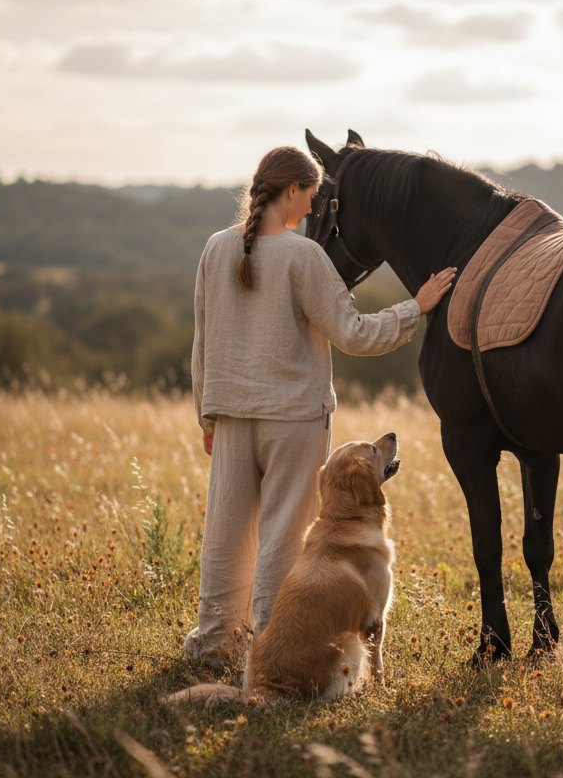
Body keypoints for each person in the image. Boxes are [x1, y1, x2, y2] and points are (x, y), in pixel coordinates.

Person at [185, 144, 456, 666]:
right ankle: (268, 646)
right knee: (284, 539)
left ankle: (214, 644)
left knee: (226, 535)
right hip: (294, 422)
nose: (313, 209)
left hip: (231, 415)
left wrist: (207, 413)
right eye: (311, 197)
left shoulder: (215, 248)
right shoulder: (304, 256)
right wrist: (415, 308)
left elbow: (203, 342)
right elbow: (353, 334)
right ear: (291, 191)